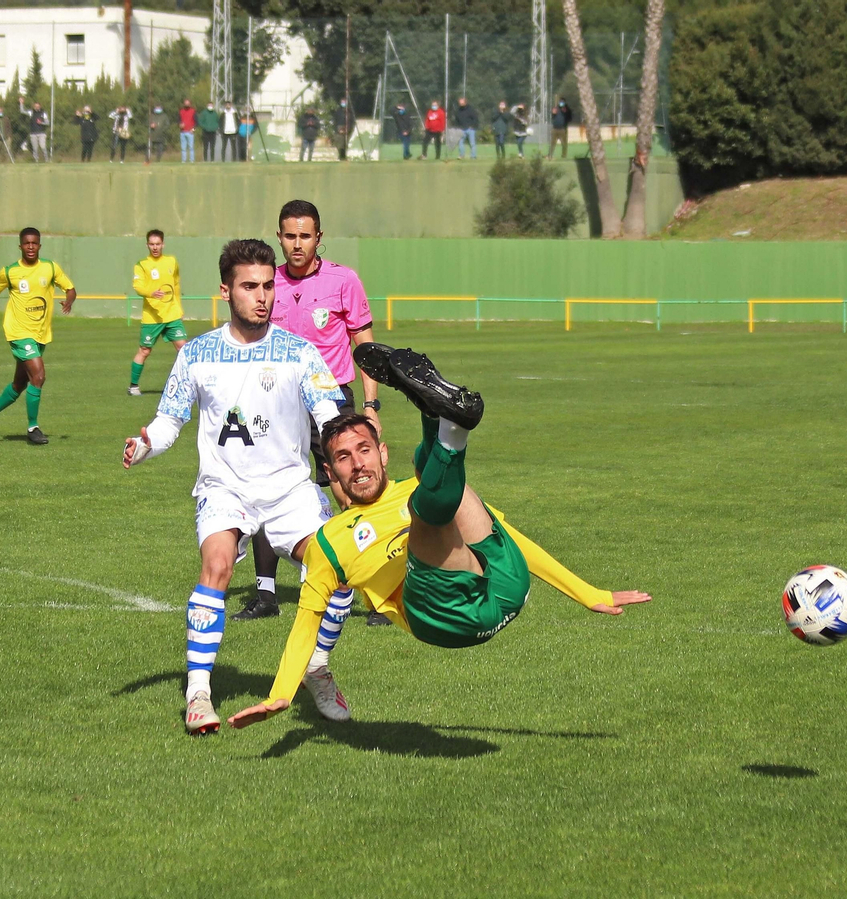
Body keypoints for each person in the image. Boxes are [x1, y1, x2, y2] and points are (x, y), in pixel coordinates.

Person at [226, 346, 652, 729]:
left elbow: (508, 537)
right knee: (427, 504)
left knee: (438, 483)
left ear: (381, 453)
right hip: (442, 616)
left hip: (505, 587)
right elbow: (306, 623)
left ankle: (436, 415)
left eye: (363, 450)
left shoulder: (416, 489)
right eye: (342, 457)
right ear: (331, 472)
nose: (356, 464)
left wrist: (588, 593)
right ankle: (448, 428)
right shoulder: (329, 542)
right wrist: (279, 694)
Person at [122, 238, 350, 736]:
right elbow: (168, 422)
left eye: (268, 286)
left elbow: (332, 416)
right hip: (224, 487)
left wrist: (351, 450)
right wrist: (145, 445)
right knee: (217, 566)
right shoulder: (198, 354)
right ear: (226, 290)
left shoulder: (299, 352)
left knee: (339, 573)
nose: (262, 296)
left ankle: (316, 668)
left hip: (289, 489)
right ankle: (199, 693)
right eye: (250, 287)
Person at [238, 200, 385, 625]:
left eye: (305, 236)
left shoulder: (344, 280)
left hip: (331, 396)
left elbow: (366, 347)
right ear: (279, 237)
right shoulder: (268, 283)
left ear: (319, 237)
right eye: (289, 236)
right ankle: (265, 594)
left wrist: (371, 405)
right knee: (266, 488)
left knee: (350, 489)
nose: (296, 244)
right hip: (276, 399)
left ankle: (375, 592)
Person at [0, 228, 77, 446]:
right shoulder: (10, 272)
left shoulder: (50, 268)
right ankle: (33, 428)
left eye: (35, 243)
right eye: (27, 243)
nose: (31, 247)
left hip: (40, 333)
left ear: (40, 245)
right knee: (38, 376)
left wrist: (69, 300)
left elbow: (70, 288)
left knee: (19, 384)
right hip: (18, 332)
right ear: (20, 246)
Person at [129, 229, 187, 395]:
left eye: (158, 244)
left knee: (184, 349)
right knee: (145, 351)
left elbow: (176, 285)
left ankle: (186, 385)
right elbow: (138, 287)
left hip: (172, 315)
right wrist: (151, 292)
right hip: (152, 317)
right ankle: (133, 386)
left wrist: (179, 307)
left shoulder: (171, 261)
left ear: (163, 244)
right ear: (147, 245)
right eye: (152, 244)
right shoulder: (142, 265)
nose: (155, 247)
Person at [334, 97, 355, 161]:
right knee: (340, 144)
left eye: (344, 102)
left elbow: (352, 121)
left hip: (347, 129)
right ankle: (341, 156)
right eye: (342, 102)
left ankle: (344, 156)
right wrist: (338, 129)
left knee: (345, 144)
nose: (343, 103)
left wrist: (349, 128)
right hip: (339, 129)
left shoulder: (349, 111)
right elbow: (335, 121)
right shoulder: (338, 111)